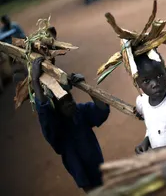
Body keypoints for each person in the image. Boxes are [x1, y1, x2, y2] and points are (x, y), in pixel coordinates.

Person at [32, 57, 110, 193]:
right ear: (56, 108)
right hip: (79, 168)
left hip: (95, 161)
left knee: (105, 187)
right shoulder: (55, 126)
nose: (70, 104)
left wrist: (86, 87)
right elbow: (44, 111)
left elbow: (102, 110)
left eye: (70, 100)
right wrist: (35, 81)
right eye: (64, 103)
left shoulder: (80, 111)